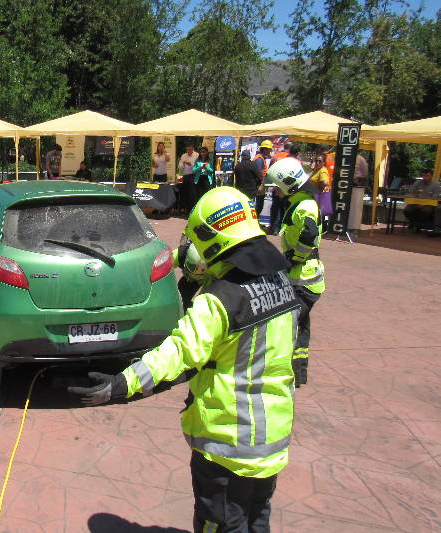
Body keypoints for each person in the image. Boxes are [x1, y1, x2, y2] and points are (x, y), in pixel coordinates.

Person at [68, 186, 299, 532]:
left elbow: (178, 354)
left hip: (228, 441)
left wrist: (121, 384)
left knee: (221, 524)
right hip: (272, 437)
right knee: (256, 519)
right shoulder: (281, 282)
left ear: (212, 237)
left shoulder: (220, 300)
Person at [265, 157, 325, 387]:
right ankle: (298, 374)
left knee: (286, 326)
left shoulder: (305, 206)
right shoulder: (300, 203)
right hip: (302, 278)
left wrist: (293, 259)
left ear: (289, 184)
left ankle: (283, 373)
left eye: (277, 187)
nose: (275, 192)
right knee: (300, 326)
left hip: (303, 279)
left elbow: (309, 236)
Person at [252, 140, 273, 222]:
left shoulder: (261, 158)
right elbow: (258, 174)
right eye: (269, 149)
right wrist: (260, 186)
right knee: (258, 205)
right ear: (264, 149)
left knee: (259, 205)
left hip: (259, 185)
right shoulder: (260, 159)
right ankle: (255, 222)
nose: (270, 151)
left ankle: (255, 221)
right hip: (258, 186)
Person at [178, 144, 198, 214]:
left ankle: (192, 209)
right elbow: (180, 167)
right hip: (185, 176)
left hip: (193, 176)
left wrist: (191, 165)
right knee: (185, 193)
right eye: (187, 150)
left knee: (192, 194)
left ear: (193, 149)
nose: (188, 151)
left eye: (189, 149)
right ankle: (185, 209)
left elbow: (197, 166)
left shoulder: (196, 155)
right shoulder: (184, 155)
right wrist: (183, 164)